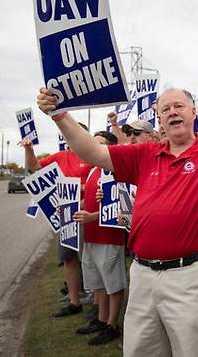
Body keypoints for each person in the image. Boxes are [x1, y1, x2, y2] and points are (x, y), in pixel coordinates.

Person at [36, 57, 198, 357]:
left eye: (179, 106)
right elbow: (93, 152)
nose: (172, 112)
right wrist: (60, 115)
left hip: (192, 276)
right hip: (144, 275)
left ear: (193, 112)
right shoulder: (145, 154)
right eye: (165, 109)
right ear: (159, 119)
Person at [20, 129, 93, 318]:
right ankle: (74, 302)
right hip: (65, 217)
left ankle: (97, 302)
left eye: (73, 135)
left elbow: (98, 183)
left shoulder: (92, 155)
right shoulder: (61, 156)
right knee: (69, 259)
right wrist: (29, 149)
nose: (69, 139)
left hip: (86, 214)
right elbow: (34, 167)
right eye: (67, 136)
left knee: (89, 260)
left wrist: (75, 187)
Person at [72, 131, 127, 346]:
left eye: (100, 144)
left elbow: (120, 205)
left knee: (113, 283)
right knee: (98, 283)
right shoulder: (94, 170)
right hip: (91, 237)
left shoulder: (116, 169)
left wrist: (93, 216)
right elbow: (89, 202)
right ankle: (102, 319)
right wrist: (71, 209)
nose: (94, 148)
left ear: (111, 147)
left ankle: (112, 325)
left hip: (109, 237)